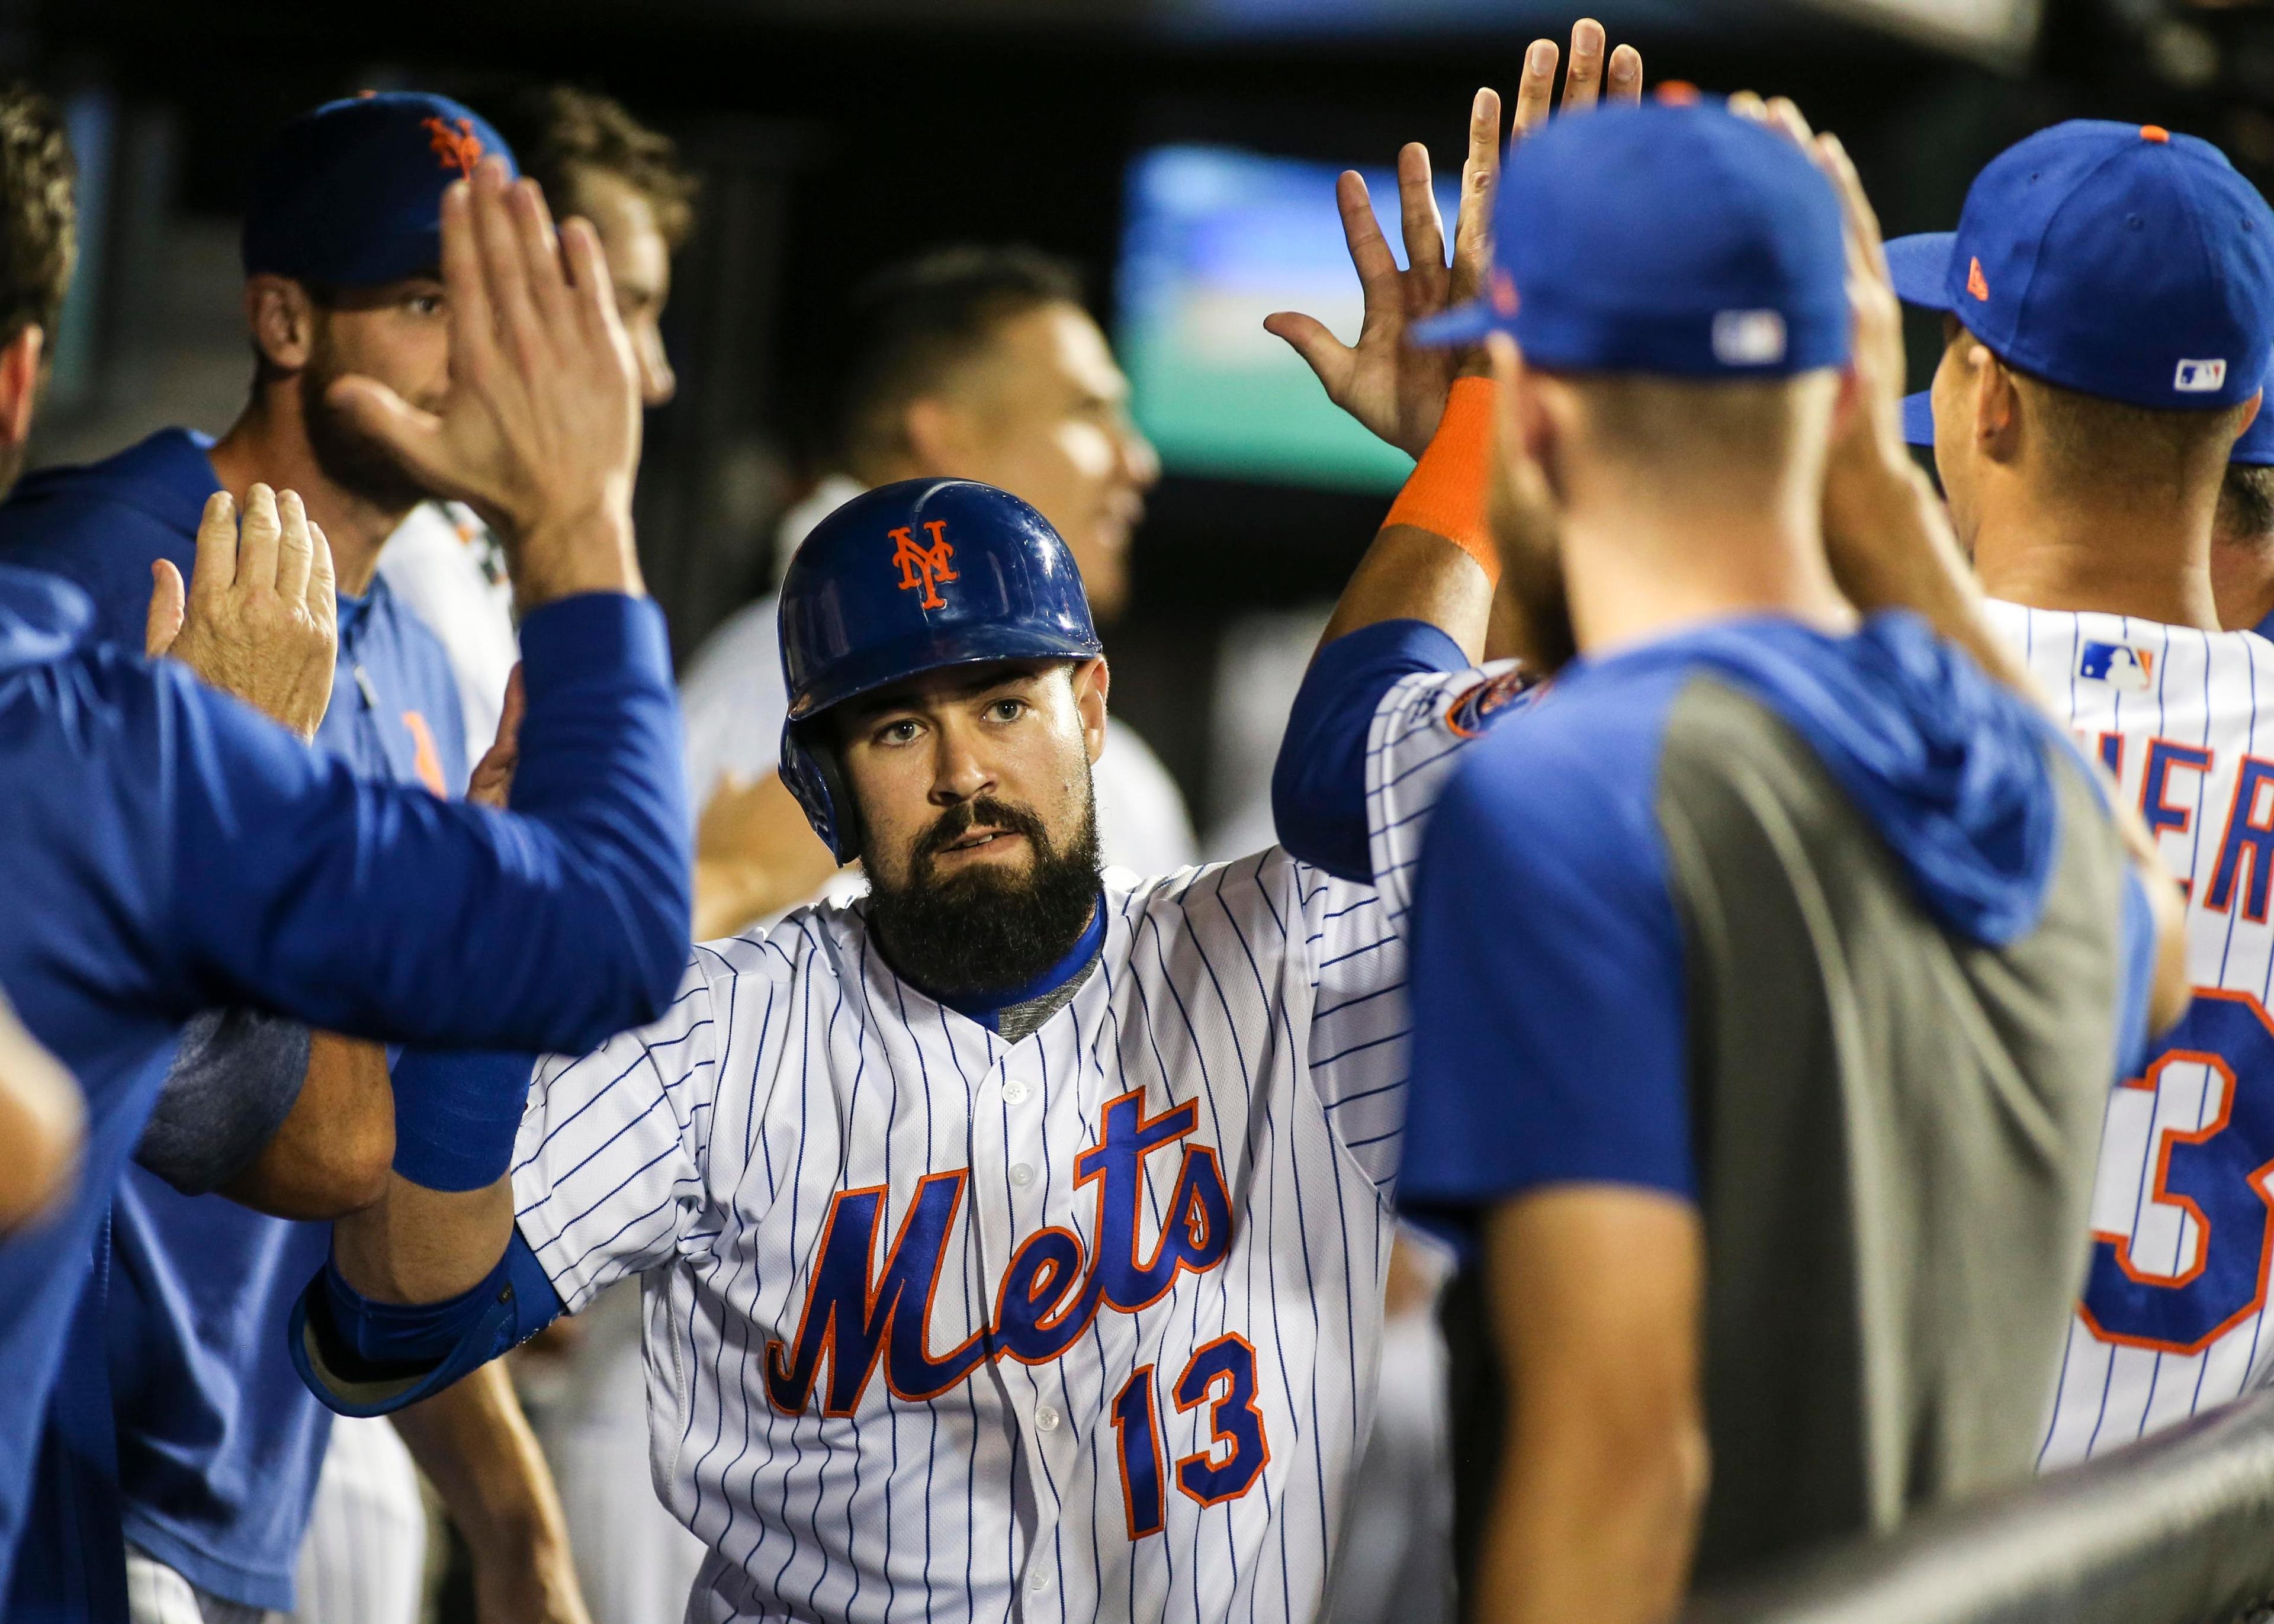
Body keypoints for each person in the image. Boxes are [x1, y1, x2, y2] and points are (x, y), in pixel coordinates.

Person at [289, 436, 1476, 1619]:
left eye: (1006, 703)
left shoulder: (1280, 951)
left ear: (1092, 707)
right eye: (898, 729)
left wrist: (1477, 418)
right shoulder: (721, 1035)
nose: (966, 771)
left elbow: (1388, 761)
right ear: (826, 783)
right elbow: (395, 1316)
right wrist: (493, 974)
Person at [1268, 90, 2184, 1623]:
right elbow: (2148, 950)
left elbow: (1620, 1465)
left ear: (1542, 416)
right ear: (1848, 396)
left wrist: (1470, 432)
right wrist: (1884, 504)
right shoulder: (1995, 768)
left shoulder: (1567, 789)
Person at [0, 147, 688, 1617]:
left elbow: (379, 1175)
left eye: (496, 310)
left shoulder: (423, 639)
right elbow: (289, 1134)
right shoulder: (90, 572)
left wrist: (511, 1516)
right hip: (96, 1464)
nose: (476, 356)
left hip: (271, 1462)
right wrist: (581, 517)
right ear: (287, 322)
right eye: (426, 301)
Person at [1888, 119, 2274, 1469]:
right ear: (2237, 412)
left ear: (1984, 393)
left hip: (1870, 1571)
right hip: (2197, 1567)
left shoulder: (1843, 717)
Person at [372, 83, 708, 1624]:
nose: (648, 365)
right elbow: (354, 1121)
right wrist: (519, 1513)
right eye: (616, 307)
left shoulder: (469, 592)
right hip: (301, 1409)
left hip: (384, 1390)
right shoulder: (416, 601)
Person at [677, 245, 1194, 938]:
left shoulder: (1115, 756)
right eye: (1088, 409)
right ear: (943, 436)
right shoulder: (782, 692)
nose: (1138, 460)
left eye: (1004, 709)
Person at [378, 83, 693, 755]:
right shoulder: (406, 557)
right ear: (499, 278)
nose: (653, 373)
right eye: (624, 308)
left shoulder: (476, 547)